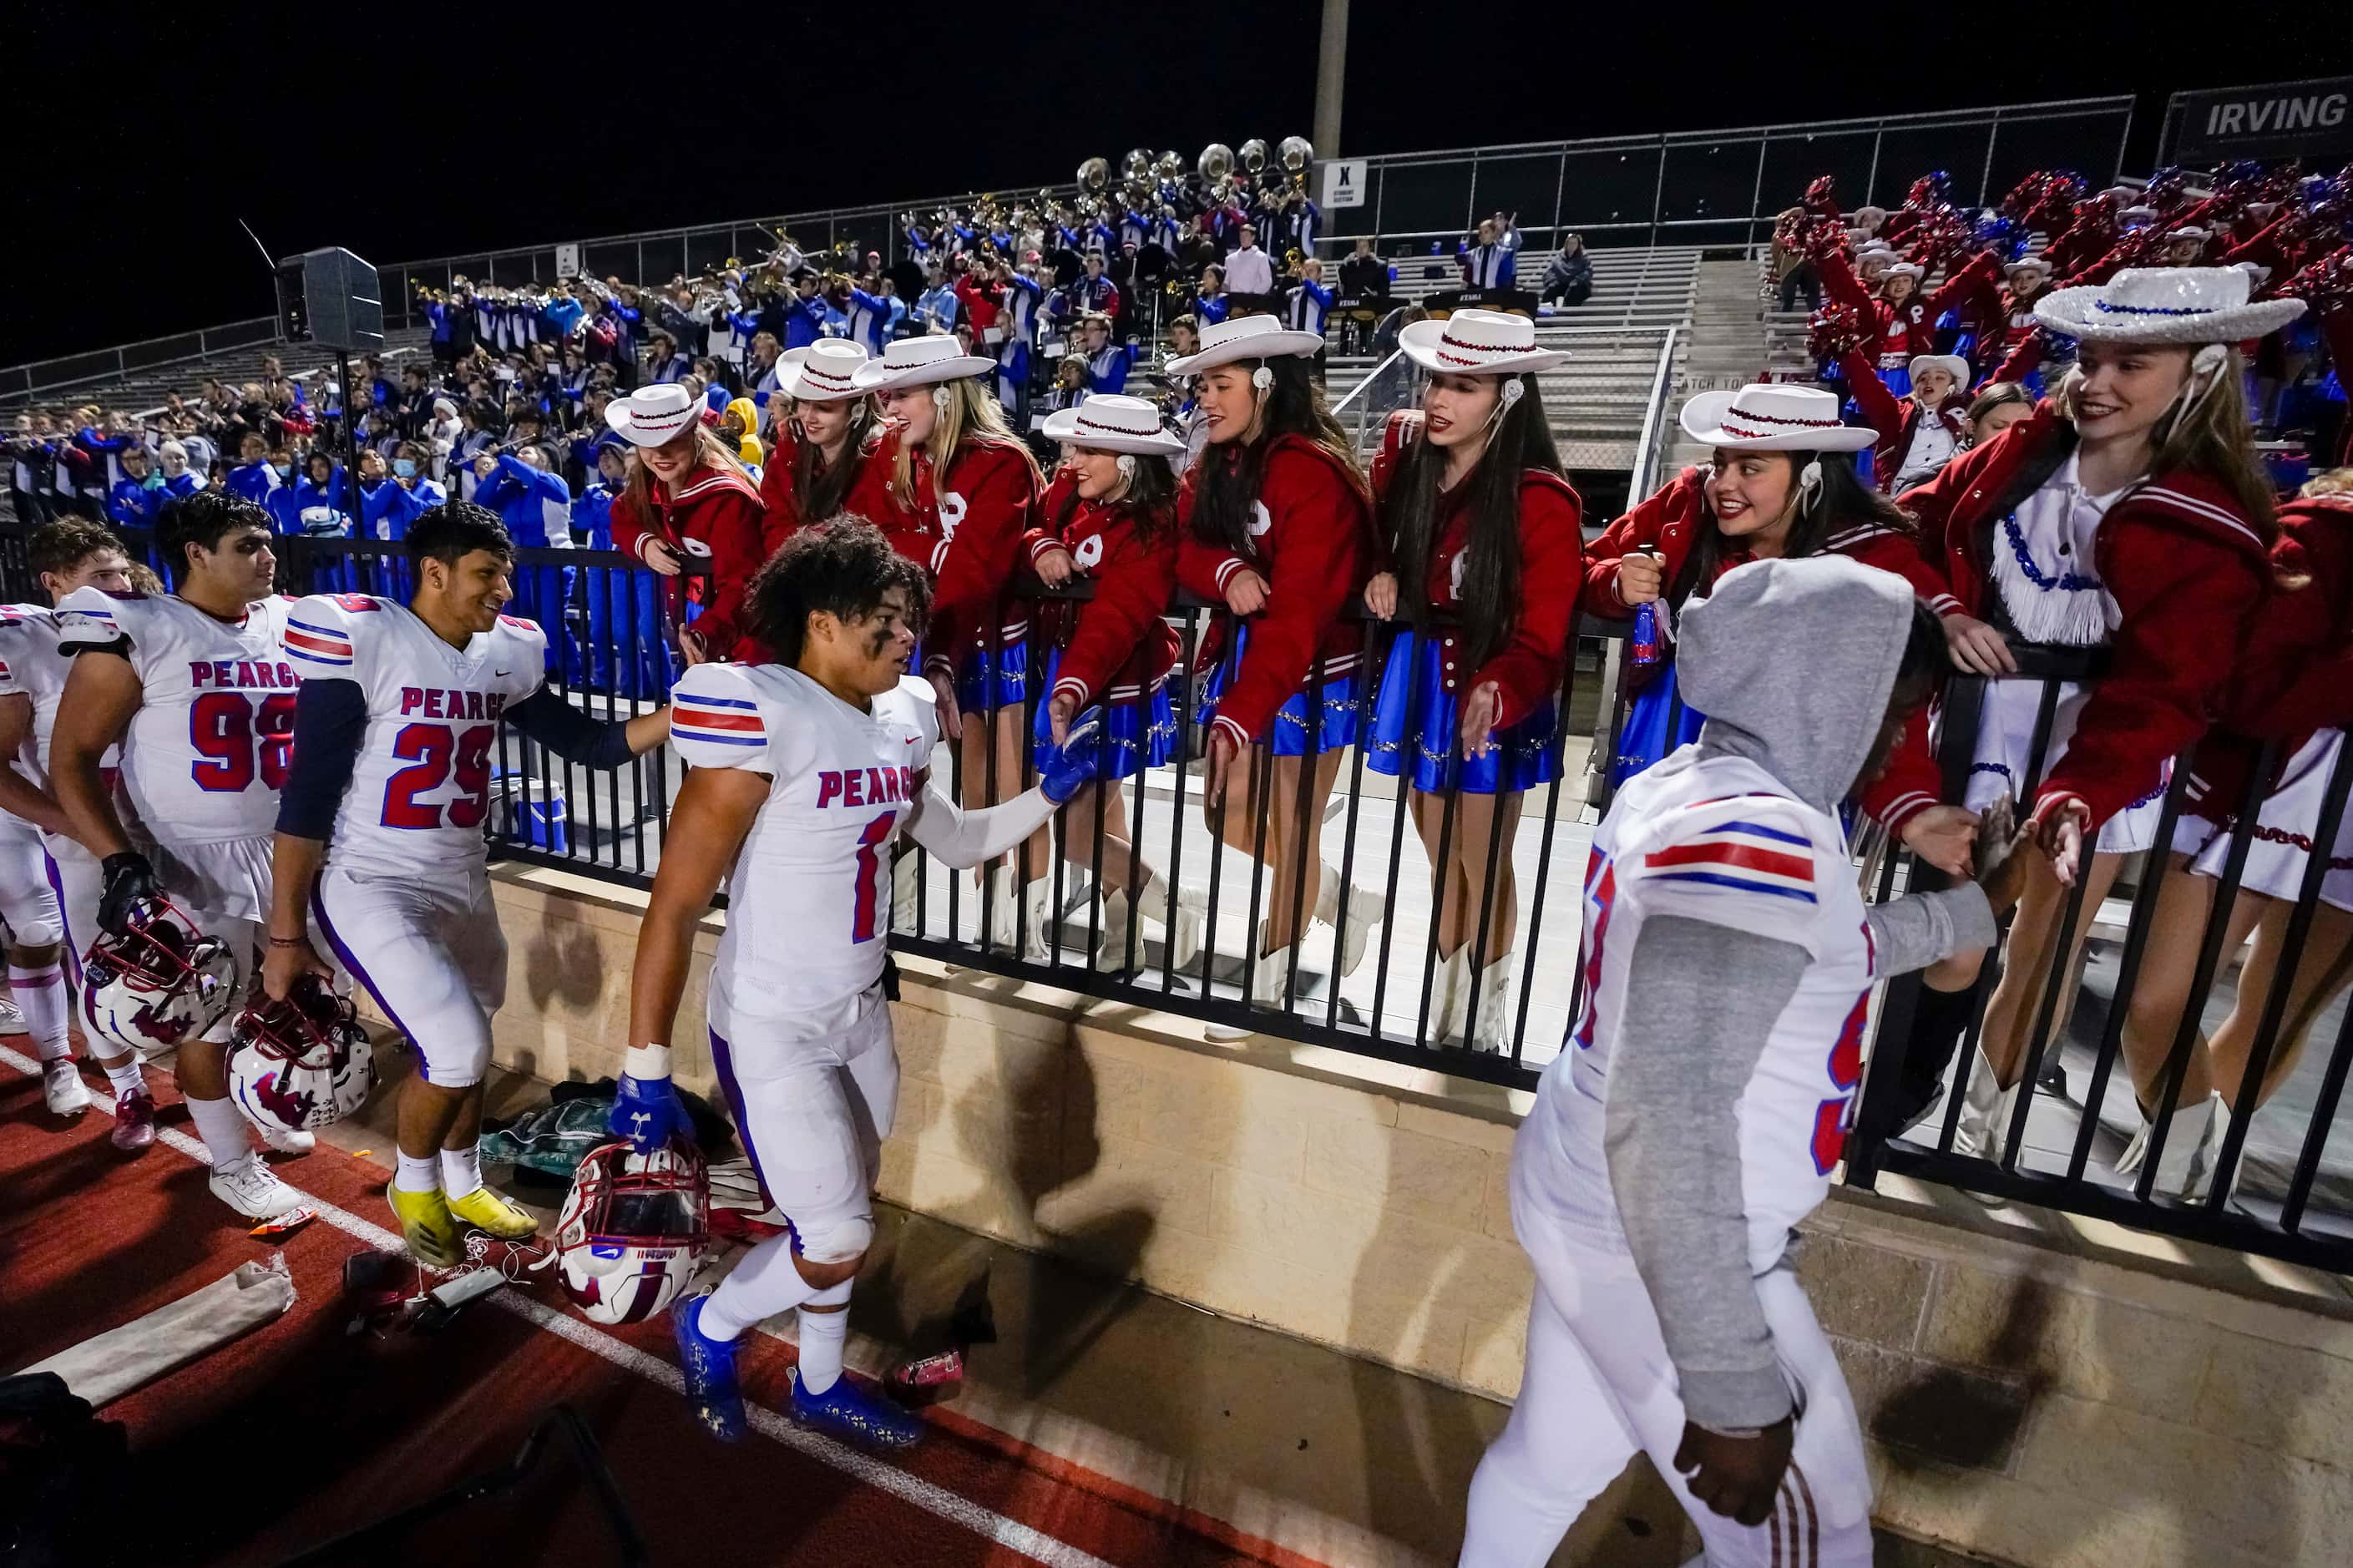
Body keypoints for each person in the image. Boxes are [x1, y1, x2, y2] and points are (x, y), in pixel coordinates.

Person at [1458, 555, 2031, 1568]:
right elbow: (1669, 1113)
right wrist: (1730, 1384)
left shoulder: (1706, 786)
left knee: (1548, 1467)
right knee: (1813, 1544)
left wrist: (1972, 906)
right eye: (1892, 700)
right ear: (1822, 688)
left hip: (1598, 1201)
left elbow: (1819, 949)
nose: (1901, 729)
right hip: (1655, 1230)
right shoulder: (1752, 835)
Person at [627, 519, 1104, 1448]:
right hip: (770, 1019)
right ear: (822, 624)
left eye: (908, 622)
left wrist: (1049, 793)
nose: (905, 641)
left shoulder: (903, 715)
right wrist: (644, 1065)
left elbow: (956, 839)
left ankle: (814, 1382)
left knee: (845, 1209)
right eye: (884, 623)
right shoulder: (762, 709)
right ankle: (712, 1324)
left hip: (856, 1010)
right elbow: (674, 904)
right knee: (835, 1232)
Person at [1894, 267, 2302, 1161]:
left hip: (2101, 750)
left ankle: (1982, 1139)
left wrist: (2081, 789)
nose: (2097, 382)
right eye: (2089, 359)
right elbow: (1913, 526)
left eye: (2132, 364)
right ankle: (1896, 1094)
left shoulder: (2206, 516)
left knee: (2042, 945)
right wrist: (1943, 608)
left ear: (2198, 373)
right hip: (1978, 724)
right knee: (1946, 931)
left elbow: (2165, 689)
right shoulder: (2022, 449)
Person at [262, 501, 671, 1264]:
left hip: (461, 875)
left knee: (469, 1041)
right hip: (371, 877)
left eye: (505, 574)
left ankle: (463, 1177)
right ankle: (413, 1185)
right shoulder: (366, 637)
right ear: (434, 571)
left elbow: (591, 743)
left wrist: (684, 714)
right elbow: (308, 796)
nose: (504, 592)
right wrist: (286, 935)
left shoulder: (503, 654)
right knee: (456, 1047)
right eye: (487, 575)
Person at [48, 493, 315, 1218]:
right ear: (195, 554)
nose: (268, 557)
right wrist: (117, 858)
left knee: (290, 996)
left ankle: (265, 1101)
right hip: (193, 856)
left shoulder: (290, 620)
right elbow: (70, 758)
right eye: (248, 544)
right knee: (211, 1016)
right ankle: (229, 1163)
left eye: (267, 543)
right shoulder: (139, 627)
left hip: (289, 847)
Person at [1584, 383, 1971, 875]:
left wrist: (1910, 807)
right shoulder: (1686, 502)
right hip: (1664, 738)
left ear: (1812, 474)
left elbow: (1886, 693)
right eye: (1721, 463)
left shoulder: (1869, 555)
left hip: (1784, 778)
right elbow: (1588, 566)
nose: (1723, 483)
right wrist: (1616, 583)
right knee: (1632, 887)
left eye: (1750, 468)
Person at [2103, 472, 2353, 1198]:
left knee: (2277, 1013)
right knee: (2154, 1003)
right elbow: (2247, 682)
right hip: (2259, 780)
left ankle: (2187, 1182)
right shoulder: (2318, 530)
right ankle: (2188, 1149)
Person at [1362, 312, 1582, 1053]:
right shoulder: (1411, 467)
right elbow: (1371, 539)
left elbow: (1544, 635)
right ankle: (1445, 1007)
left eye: (1464, 385)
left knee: (1481, 863)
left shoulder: (1541, 497)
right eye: (1436, 381)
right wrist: (1381, 570)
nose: (1438, 399)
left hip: (1491, 687)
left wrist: (1499, 688)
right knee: (1439, 854)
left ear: (1508, 397)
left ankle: (1480, 1024)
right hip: (1423, 677)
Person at [1168, 314, 1384, 1025]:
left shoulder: (1311, 472)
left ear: (1265, 383)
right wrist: (1226, 568)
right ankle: (1338, 901)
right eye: (1204, 383)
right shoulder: (1221, 461)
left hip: (1315, 670)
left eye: (1218, 383)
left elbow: (1298, 615)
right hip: (1253, 663)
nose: (1205, 397)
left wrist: (1238, 713)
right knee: (1222, 817)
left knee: (1294, 829)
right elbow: (1182, 543)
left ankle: (1268, 988)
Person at [852, 334, 1046, 951]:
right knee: (966, 787)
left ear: (944, 394)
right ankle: (990, 919)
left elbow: (976, 573)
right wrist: (931, 553)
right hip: (932, 641)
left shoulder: (1002, 460)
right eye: (886, 396)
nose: (890, 409)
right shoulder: (890, 453)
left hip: (996, 641)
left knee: (1013, 786)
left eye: (902, 395)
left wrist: (926, 561)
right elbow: (868, 540)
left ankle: (1026, 922)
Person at [1029, 395, 1203, 971]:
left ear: (1129, 462)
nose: (1073, 460)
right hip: (1081, 681)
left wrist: (1071, 687)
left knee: (1078, 839)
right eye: (1075, 446)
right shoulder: (1082, 501)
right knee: (1106, 820)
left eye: (1091, 450)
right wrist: (1045, 544)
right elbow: (1029, 531)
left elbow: (1116, 620)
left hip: (1109, 689)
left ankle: (1178, 908)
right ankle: (1122, 941)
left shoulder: (1150, 529)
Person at [0, 524, 139, 1122]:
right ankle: (58, 1057)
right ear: (54, 585)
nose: (116, 586)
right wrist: (77, 827)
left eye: (120, 571)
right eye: (98, 577)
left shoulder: (143, 622)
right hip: (32, 800)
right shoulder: (20, 640)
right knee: (37, 925)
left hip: (109, 808)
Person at [607, 383, 770, 664]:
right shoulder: (650, 483)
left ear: (695, 435)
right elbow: (621, 514)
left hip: (740, 641)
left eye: (672, 441)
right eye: (648, 443)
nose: (660, 454)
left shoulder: (728, 498)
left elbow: (744, 586)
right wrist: (643, 544)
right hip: (695, 629)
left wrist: (706, 633)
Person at [757, 341, 885, 550]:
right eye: (804, 402)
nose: (808, 417)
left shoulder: (880, 460)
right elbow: (773, 526)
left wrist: (803, 539)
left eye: (823, 408)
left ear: (858, 410)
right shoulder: (788, 448)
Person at [470, 443, 580, 685]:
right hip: (517, 564)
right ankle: (527, 674)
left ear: (542, 461)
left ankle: (573, 675)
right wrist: (499, 471)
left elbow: (532, 476)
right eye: (517, 454)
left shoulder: (553, 482)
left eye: (526, 453)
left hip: (552, 561)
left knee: (551, 622)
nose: (519, 456)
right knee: (516, 621)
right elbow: (481, 500)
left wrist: (506, 459)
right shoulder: (511, 489)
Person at [1839, 352, 1971, 491]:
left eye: (1939, 378)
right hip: (1898, 498)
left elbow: (1995, 389)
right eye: (1923, 378)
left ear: (1952, 387)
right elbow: (1866, 384)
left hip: (1947, 499)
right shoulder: (1898, 413)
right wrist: (1848, 353)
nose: (1929, 382)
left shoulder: (1970, 412)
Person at [106, 443, 167, 529]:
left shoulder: (158, 482)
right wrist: (130, 510)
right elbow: (114, 511)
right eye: (124, 459)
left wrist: (143, 512)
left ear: (144, 460)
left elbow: (164, 510)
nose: (127, 463)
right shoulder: (120, 486)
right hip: (129, 533)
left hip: (154, 533)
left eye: (133, 459)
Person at [1459, 218, 1518, 291]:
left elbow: (1505, 280)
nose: (1483, 235)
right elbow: (1467, 278)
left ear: (1493, 233)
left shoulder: (1504, 253)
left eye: (1486, 232)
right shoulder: (1473, 254)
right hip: (1477, 296)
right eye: (1481, 233)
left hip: (1496, 295)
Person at [1223, 223, 1276, 303]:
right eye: (1241, 236)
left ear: (1253, 237)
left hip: (1253, 300)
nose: (1243, 238)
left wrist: (1253, 295)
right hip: (1234, 301)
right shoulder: (1230, 259)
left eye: (1246, 236)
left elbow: (1267, 281)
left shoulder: (1261, 257)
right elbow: (1226, 282)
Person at [1540, 235, 1592, 309]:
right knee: (1552, 289)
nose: (1572, 246)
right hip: (1561, 283)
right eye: (1570, 243)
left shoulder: (1584, 258)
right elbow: (1549, 272)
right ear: (1566, 244)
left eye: (1574, 243)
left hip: (1577, 284)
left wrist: (1578, 280)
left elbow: (1588, 272)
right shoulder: (1558, 258)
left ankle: (1571, 313)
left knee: (1576, 290)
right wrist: (1551, 281)